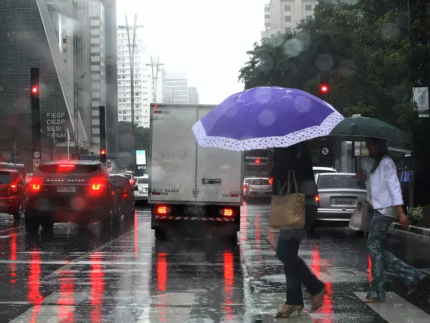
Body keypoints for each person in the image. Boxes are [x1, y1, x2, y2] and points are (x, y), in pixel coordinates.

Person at [358, 138, 425, 303]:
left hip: (386, 210)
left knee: (373, 247)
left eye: (370, 145)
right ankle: (412, 276)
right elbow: (375, 188)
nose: (368, 148)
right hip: (379, 209)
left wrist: (401, 212)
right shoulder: (375, 163)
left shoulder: (386, 162)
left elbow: (394, 187)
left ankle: (378, 291)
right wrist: (363, 179)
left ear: (377, 145)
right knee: (378, 249)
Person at [268, 143, 326, 318]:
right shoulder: (296, 150)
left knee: (284, 252)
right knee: (288, 254)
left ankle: (315, 287)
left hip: (299, 208)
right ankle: (293, 300)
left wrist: (273, 167)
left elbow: (283, 178)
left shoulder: (292, 151)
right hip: (300, 207)